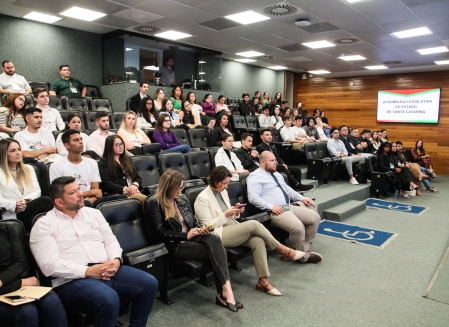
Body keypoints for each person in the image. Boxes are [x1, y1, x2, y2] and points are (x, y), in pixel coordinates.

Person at [30, 176, 158, 327]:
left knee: (149, 283)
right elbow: (49, 266)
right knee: (108, 299)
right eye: (73, 193)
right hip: (71, 281)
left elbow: (111, 240)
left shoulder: (93, 214)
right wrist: (88, 271)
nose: (80, 194)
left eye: (78, 189)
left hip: (108, 268)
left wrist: (116, 260)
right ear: (59, 202)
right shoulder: (44, 225)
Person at [195, 166, 306, 296]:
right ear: (215, 180)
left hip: (230, 227)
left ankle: (263, 281)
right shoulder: (202, 198)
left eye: (227, 183)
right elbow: (207, 226)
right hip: (216, 235)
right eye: (224, 183)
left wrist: (235, 211)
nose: (226, 186)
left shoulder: (223, 192)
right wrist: (226, 214)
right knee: (253, 224)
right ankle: (283, 249)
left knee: (258, 241)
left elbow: (228, 215)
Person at [146, 170, 242, 312]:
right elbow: (159, 233)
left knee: (215, 239)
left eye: (182, 187)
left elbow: (192, 220)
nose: (180, 191)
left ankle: (225, 291)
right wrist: (185, 236)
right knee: (218, 252)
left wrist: (201, 228)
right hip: (175, 245)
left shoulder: (182, 199)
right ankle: (225, 292)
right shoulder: (155, 202)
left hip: (192, 236)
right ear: (168, 186)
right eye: (177, 188)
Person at [247, 151, 322, 264]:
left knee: (315, 218)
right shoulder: (255, 177)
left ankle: (300, 251)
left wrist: (301, 198)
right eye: (272, 161)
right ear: (262, 162)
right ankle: (303, 257)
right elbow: (253, 198)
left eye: (275, 160)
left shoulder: (276, 174)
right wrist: (271, 207)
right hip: (274, 211)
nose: (275, 163)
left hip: (288, 207)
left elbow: (288, 190)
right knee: (298, 227)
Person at [0, 220, 67, 327]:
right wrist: (20, 283)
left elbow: (20, 263)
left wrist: (2, 280)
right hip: (10, 287)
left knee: (51, 301)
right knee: (27, 311)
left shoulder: (7, 229)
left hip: (12, 286)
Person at [50, 129, 126, 207]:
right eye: (76, 140)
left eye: (81, 139)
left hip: (91, 200)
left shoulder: (92, 162)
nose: (81, 142)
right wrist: (90, 193)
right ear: (67, 145)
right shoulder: (56, 166)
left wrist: (91, 199)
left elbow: (96, 190)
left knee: (122, 198)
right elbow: (62, 195)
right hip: (70, 202)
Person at [0, 138, 53, 229]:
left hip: (27, 207)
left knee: (48, 201)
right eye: (13, 151)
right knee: (45, 201)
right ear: (3, 154)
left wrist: (24, 201)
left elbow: (36, 191)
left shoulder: (29, 168)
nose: (18, 153)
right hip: (11, 213)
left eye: (19, 149)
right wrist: (14, 205)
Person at [98, 135, 147, 204]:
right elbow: (107, 184)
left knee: (152, 199)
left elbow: (137, 177)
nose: (120, 147)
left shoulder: (127, 159)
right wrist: (127, 190)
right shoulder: (103, 162)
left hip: (133, 191)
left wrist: (134, 186)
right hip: (118, 195)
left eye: (121, 144)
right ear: (110, 147)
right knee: (145, 200)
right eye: (117, 145)